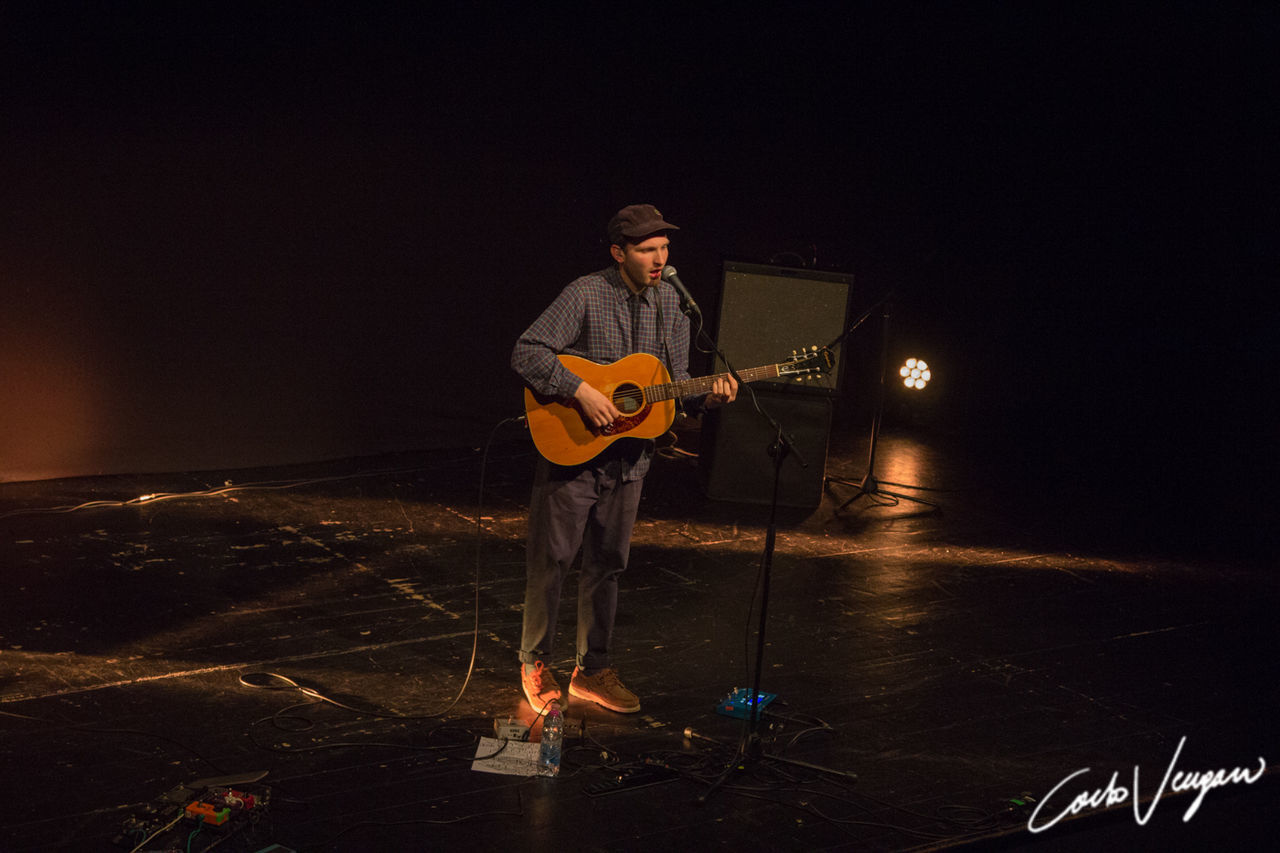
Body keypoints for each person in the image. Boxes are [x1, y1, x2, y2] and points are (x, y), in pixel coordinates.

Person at [510, 203, 737, 715]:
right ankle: (534, 663)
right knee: (553, 563)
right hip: (574, 453)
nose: (660, 258)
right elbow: (528, 351)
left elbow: (671, 387)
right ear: (620, 253)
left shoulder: (673, 306)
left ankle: (592, 671)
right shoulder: (586, 293)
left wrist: (708, 398)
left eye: (664, 248)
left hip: (631, 459)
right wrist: (581, 391)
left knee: (608, 565)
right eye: (647, 249)